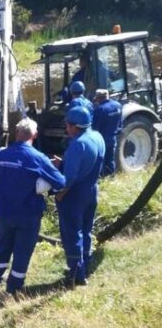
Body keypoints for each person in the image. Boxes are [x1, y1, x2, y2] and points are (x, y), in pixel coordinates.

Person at [0, 118, 66, 294]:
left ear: (16, 134)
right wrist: (47, 178)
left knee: (3, 244)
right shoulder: (38, 158)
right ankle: (14, 286)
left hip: (4, 212)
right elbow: (60, 182)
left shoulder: (0, 155)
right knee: (23, 250)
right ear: (35, 135)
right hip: (28, 214)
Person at [53, 106, 105, 286]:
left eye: (67, 125)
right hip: (92, 189)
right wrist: (64, 162)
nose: (66, 129)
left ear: (75, 126)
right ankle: (86, 263)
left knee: (72, 233)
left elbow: (70, 178)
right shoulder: (97, 137)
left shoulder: (77, 144)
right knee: (86, 229)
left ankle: (76, 274)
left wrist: (60, 194)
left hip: (75, 195)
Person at [92, 89, 123, 177]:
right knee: (111, 159)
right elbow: (120, 123)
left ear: (99, 98)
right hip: (113, 138)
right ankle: (111, 176)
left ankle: (101, 178)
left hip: (102, 139)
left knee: (101, 160)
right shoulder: (118, 105)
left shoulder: (100, 109)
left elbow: (95, 127)